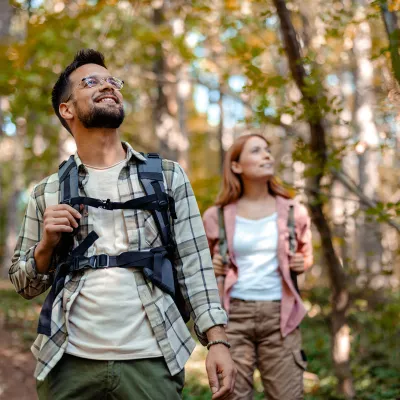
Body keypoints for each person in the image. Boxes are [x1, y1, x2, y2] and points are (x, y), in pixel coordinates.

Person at [9, 49, 236, 400]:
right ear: (66, 109)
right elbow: (23, 284)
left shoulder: (166, 176)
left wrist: (217, 340)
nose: (108, 86)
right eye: (90, 82)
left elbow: (195, 264)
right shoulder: (47, 191)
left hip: (151, 359)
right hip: (67, 361)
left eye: (112, 81)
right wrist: (45, 247)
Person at [202, 134, 313, 400]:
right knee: (233, 395)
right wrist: (213, 266)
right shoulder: (215, 215)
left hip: (281, 318)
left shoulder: (292, 211)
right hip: (232, 317)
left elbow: (306, 256)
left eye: (267, 150)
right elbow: (200, 268)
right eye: (256, 151)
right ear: (236, 166)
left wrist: (301, 263)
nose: (267, 155)